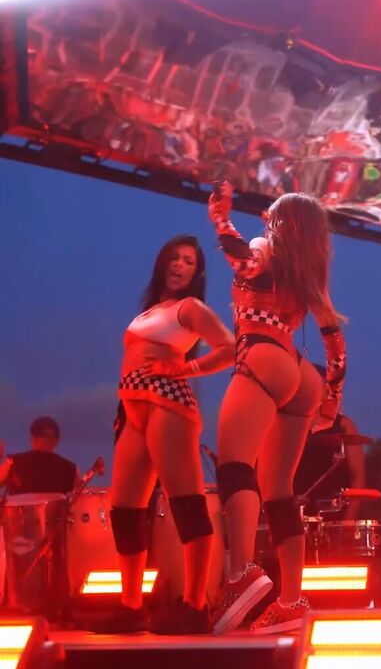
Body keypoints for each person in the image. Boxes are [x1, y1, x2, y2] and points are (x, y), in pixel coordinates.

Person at [208, 182, 346, 634]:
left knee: (234, 466)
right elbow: (334, 342)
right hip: (301, 377)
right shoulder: (307, 272)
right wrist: (331, 400)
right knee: (280, 492)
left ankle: (241, 574)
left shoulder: (264, 248)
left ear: (282, 222)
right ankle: (291, 601)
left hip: (262, 354)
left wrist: (221, 219)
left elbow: (241, 260)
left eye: (273, 211)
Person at [96, 234, 235, 635]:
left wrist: (186, 369)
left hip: (167, 400)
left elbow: (229, 347)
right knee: (124, 508)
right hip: (131, 405)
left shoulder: (190, 308)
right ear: (162, 262)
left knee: (186, 500)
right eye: (174, 257)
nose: (179, 265)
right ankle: (131, 606)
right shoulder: (151, 311)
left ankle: (195, 605)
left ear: (197, 272)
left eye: (189, 261)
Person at [294, 410, 366, 521]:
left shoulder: (343, 424)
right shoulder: (292, 424)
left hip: (334, 512)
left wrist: (350, 515)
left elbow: (358, 476)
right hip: (295, 510)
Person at [0, 416, 79, 494]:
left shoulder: (12, 462)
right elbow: (82, 496)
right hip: (59, 503)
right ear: (56, 441)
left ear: (32, 438)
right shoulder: (70, 469)